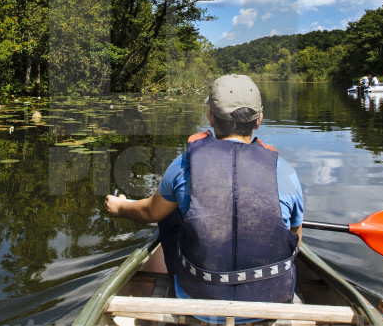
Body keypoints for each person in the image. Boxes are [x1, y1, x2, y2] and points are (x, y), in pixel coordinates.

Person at [105, 74, 304, 304]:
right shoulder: (286, 172)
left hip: (198, 297)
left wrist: (120, 207)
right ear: (259, 119)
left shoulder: (183, 165)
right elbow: (295, 241)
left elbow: (149, 212)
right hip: (273, 298)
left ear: (210, 117)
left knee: (168, 212)